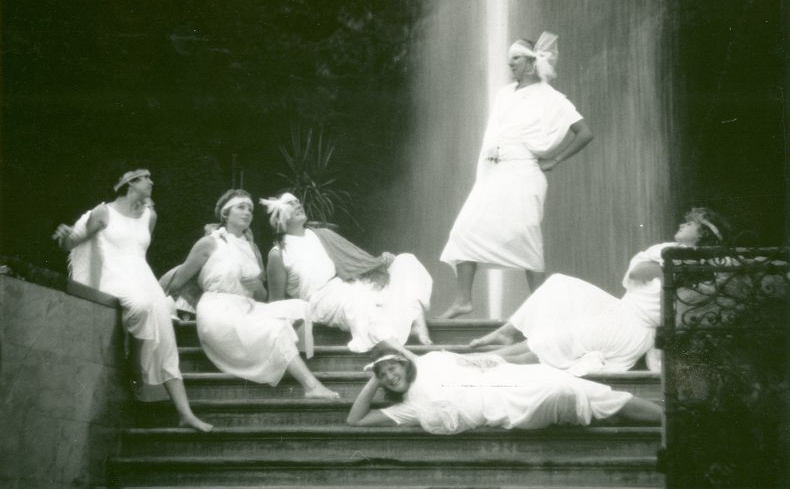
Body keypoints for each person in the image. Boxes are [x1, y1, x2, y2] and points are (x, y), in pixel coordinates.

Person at [439, 32, 594, 319]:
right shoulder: (503, 94)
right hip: (493, 174)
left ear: (532, 62)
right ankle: (463, 300)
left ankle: (540, 307)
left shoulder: (552, 98)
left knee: (526, 235)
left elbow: (585, 133)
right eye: (509, 59)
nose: (510, 64)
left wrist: (556, 159)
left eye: (516, 59)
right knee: (463, 231)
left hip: (524, 174)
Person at [468, 207, 731, 376]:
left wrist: (674, 270)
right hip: (622, 308)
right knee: (560, 285)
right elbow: (638, 272)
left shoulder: (707, 269)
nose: (683, 224)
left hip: (635, 327)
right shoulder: (668, 249)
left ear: (704, 234)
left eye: (692, 223)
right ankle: (505, 334)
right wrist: (671, 270)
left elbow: (683, 296)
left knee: (563, 338)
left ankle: (490, 361)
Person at [52, 169, 213, 431]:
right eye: (146, 178)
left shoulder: (150, 215)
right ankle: (135, 366)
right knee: (140, 305)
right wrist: (64, 235)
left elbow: (139, 251)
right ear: (130, 183)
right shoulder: (103, 213)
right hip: (113, 276)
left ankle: (186, 413)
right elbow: (71, 244)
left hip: (142, 276)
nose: (152, 182)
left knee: (166, 335)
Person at [162, 189, 339, 400]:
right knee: (275, 328)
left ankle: (289, 364)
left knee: (299, 307)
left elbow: (262, 296)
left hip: (247, 307)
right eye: (241, 207)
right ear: (225, 214)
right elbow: (178, 280)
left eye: (250, 209)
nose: (247, 212)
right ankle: (311, 385)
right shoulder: (209, 243)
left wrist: (256, 285)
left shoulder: (252, 248)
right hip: (218, 312)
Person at [346, 339, 661, 433]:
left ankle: (670, 417)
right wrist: (373, 377)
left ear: (403, 363)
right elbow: (355, 419)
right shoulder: (409, 408)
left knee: (582, 388)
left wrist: (387, 355)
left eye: (391, 368)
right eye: (383, 376)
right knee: (561, 393)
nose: (390, 376)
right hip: (503, 408)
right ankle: (600, 414)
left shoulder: (427, 361)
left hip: (507, 379)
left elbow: (392, 344)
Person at [263, 192, 433, 353]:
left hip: (346, 285)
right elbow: (277, 304)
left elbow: (353, 261)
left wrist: (380, 262)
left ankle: (418, 323)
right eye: (289, 203)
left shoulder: (321, 234)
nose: (297, 205)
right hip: (319, 301)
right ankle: (404, 354)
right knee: (359, 303)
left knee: (405, 261)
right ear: (277, 215)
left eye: (297, 202)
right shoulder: (278, 254)